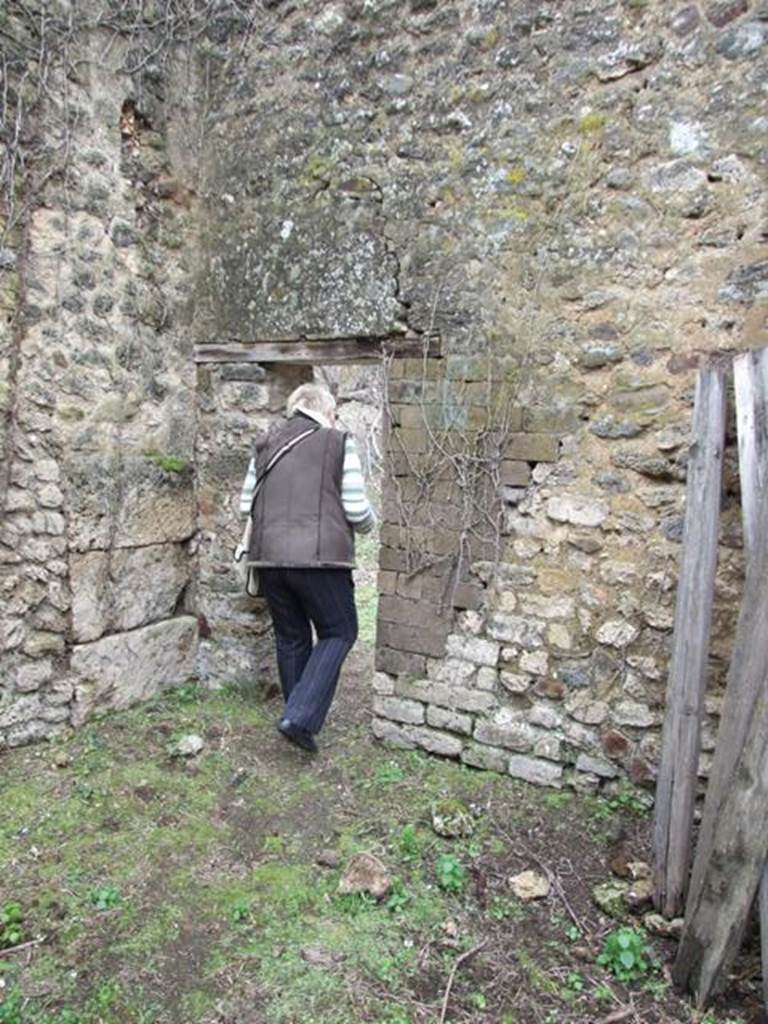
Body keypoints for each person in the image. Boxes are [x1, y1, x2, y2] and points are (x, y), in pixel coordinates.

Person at [239, 382, 376, 753]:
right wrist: (368, 525)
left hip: (267, 558)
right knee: (340, 630)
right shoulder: (337, 441)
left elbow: (244, 505)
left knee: (291, 637)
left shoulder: (265, 444)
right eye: (334, 413)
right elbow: (357, 508)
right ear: (325, 410)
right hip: (319, 559)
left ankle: (296, 719)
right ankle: (299, 718)